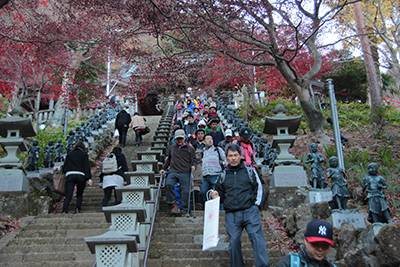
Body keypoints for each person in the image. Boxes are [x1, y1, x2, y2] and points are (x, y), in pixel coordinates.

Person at [211, 143, 269, 267]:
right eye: (230, 155)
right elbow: (217, 192)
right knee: (234, 241)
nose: (233, 158)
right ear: (226, 157)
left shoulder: (249, 171)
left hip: (250, 211)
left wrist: (256, 205)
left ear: (240, 155)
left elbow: (258, 187)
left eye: (235, 155)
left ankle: (263, 265)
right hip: (232, 214)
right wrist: (214, 195)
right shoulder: (223, 175)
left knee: (257, 238)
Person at [160, 129, 197, 217]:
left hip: (185, 172)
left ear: (184, 137)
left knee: (185, 192)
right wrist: (164, 169)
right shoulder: (172, 147)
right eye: (177, 139)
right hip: (173, 171)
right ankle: (173, 204)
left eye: (181, 138)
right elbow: (169, 159)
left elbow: (194, 160)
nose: (179, 140)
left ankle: (185, 211)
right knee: (169, 184)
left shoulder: (190, 148)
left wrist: (194, 166)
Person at [53, 142, 92, 214]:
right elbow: (86, 167)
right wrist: (89, 178)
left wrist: (58, 168)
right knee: (79, 194)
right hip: (81, 175)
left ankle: (64, 210)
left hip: (70, 175)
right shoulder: (84, 154)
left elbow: (65, 166)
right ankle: (78, 208)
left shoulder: (69, 154)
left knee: (68, 194)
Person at [201, 134, 226, 204]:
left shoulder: (218, 149)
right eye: (208, 139)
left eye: (211, 139)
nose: (210, 140)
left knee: (216, 193)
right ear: (204, 142)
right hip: (204, 176)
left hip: (215, 174)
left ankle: (218, 209)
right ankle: (206, 208)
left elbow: (225, 159)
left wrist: (225, 164)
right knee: (203, 192)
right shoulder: (202, 152)